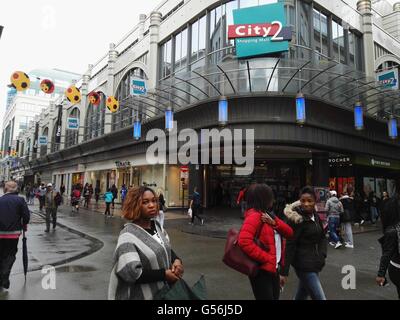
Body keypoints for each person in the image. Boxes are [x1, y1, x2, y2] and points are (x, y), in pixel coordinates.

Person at [108, 186, 184, 300]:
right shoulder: (127, 236)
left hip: (164, 294)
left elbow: (164, 248)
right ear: (135, 205)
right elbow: (132, 272)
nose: (152, 205)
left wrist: (176, 260)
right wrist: (164, 275)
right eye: (145, 202)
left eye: (154, 201)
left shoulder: (157, 227)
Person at [238, 184, 293, 300]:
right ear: (263, 198)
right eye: (270, 196)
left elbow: (289, 233)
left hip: (273, 269)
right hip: (261, 271)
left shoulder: (267, 215)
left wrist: (274, 223)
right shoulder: (254, 216)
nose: (273, 199)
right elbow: (244, 241)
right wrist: (268, 258)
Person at [280, 186, 328, 300]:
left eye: (309, 201)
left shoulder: (315, 216)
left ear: (314, 202)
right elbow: (290, 245)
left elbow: (322, 237)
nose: (306, 204)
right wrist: (284, 272)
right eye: (303, 201)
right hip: (303, 265)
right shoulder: (296, 220)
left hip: (315, 263)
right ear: (299, 201)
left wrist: (322, 255)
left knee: (302, 294)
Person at [0, 181, 30, 290]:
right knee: (10, 255)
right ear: (16, 189)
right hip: (13, 234)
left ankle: (2, 277)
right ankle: (5, 275)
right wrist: (23, 224)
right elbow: (26, 217)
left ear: (5, 189)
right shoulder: (20, 200)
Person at [376, 191, 400, 299]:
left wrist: (381, 274)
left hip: (396, 269)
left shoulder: (391, 230)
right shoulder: (394, 230)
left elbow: (387, 253)